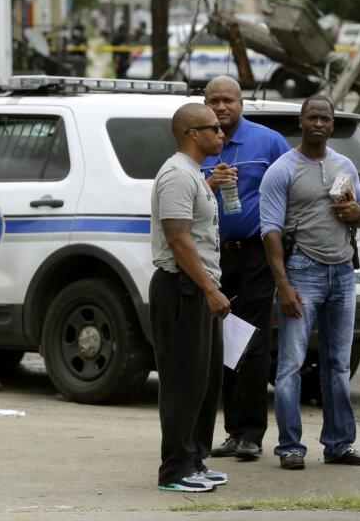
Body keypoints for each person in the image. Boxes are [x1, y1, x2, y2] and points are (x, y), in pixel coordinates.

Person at [259, 95, 360, 471]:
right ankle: (290, 446)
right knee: (291, 364)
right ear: (301, 122)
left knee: (338, 364)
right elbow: (270, 231)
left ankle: (339, 444)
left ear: (331, 123)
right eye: (313, 117)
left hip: (342, 272)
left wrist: (359, 212)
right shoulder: (282, 169)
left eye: (326, 118)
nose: (320, 124)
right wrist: (283, 284)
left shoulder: (345, 165)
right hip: (302, 271)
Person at [202, 76, 291, 462]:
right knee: (222, 342)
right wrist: (210, 180)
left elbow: (294, 186)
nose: (221, 107)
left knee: (251, 340)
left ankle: (252, 434)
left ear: (242, 103)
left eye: (228, 100)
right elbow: (181, 189)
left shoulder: (268, 142)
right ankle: (232, 431)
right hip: (213, 255)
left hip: (256, 254)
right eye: (213, 101)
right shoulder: (199, 141)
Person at [149, 102, 232, 493]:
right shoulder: (177, 175)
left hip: (197, 288)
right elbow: (178, 238)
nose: (222, 134)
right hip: (183, 289)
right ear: (192, 134)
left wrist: (210, 186)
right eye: (214, 128)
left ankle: (195, 460)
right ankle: (174, 470)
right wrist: (210, 289)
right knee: (183, 381)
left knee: (205, 379)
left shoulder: (195, 175)